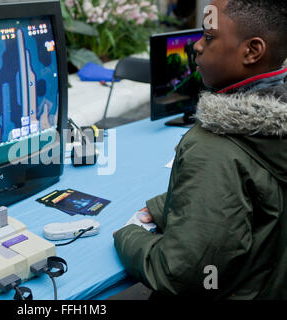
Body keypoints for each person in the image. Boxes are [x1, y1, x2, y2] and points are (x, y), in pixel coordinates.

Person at [114, 0, 287, 299]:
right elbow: (257, 197)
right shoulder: (272, 129)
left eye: (208, 37)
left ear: (252, 51)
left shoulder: (214, 147)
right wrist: (167, 206)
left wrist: (127, 235)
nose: (196, 46)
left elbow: (179, 273)